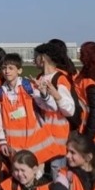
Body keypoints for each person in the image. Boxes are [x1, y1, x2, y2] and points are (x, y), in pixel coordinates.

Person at [0, 54, 60, 163]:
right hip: (14, 147)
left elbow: (51, 107)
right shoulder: (0, 93)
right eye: (4, 68)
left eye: (11, 68)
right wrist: (2, 141)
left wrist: (44, 94)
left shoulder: (29, 87)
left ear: (19, 71)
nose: (7, 71)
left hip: (35, 146)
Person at [32, 41, 78, 176]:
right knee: (42, 172)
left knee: (57, 171)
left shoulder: (60, 79)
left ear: (43, 58)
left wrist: (56, 97)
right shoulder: (39, 77)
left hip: (58, 134)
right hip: (43, 133)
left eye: (36, 57)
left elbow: (69, 110)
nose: (34, 60)